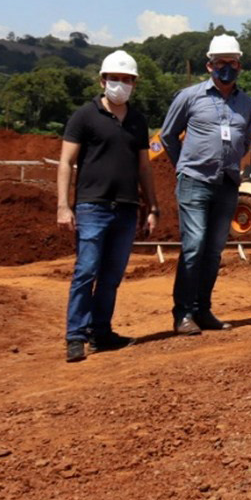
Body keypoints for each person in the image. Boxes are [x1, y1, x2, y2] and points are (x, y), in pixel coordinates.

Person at [56, 50, 159, 362]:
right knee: (86, 271)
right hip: (91, 207)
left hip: (127, 208)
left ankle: (101, 332)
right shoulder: (84, 116)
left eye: (128, 80)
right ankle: (76, 335)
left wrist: (152, 206)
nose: (121, 84)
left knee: (112, 275)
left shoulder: (138, 121)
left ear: (135, 84)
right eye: (115, 78)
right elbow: (66, 162)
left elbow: (144, 167)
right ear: (102, 80)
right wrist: (63, 205)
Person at [160, 34, 251, 336]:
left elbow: (246, 140)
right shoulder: (190, 96)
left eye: (231, 62)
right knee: (194, 246)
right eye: (219, 63)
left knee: (214, 250)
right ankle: (183, 313)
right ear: (209, 65)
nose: (226, 68)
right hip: (195, 182)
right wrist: (184, 167)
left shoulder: (246, 103)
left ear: (239, 65)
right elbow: (167, 136)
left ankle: (203, 309)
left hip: (227, 183)